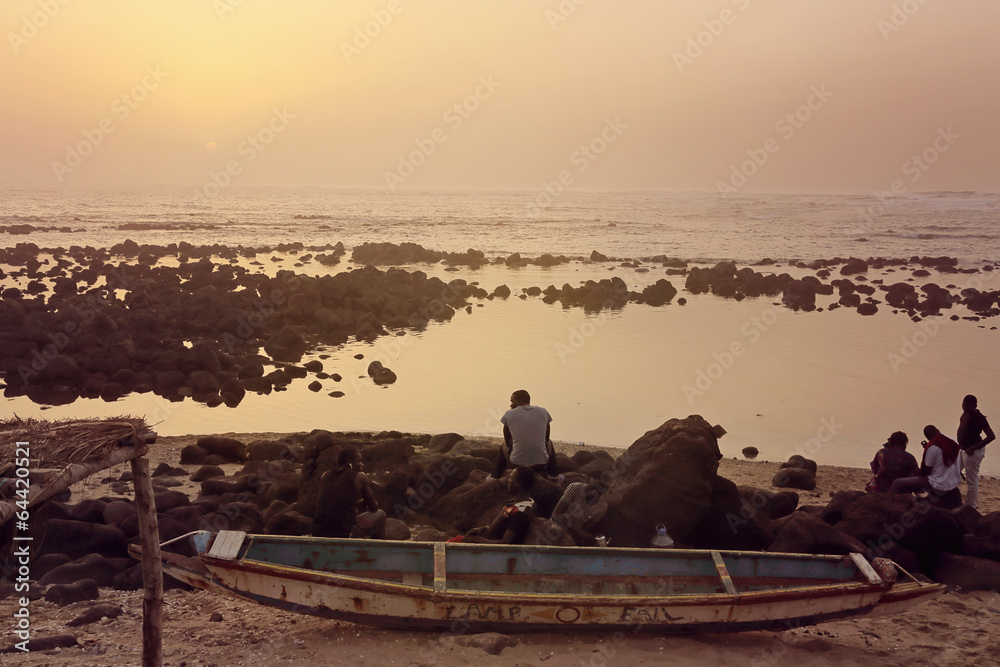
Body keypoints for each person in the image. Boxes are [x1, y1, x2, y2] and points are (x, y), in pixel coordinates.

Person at [313, 448, 386, 539]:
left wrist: (356, 504)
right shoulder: (360, 476)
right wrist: (373, 503)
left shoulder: (325, 475)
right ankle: (375, 549)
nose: (362, 464)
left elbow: (332, 503)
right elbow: (373, 508)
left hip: (318, 532)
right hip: (343, 534)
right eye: (359, 461)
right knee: (381, 514)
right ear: (349, 464)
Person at [888, 425, 962, 509]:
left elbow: (926, 472)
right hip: (953, 482)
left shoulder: (932, 447)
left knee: (898, 483)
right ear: (938, 430)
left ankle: (888, 507)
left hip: (938, 483)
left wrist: (928, 449)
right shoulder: (951, 441)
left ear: (928, 437)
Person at [459, 466, 537, 545]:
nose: (508, 481)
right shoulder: (515, 503)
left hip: (486, 550)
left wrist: (476, 540)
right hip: (484, 538)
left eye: (511, 478)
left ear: (519, 483)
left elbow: (505, 543)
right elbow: (501, 526)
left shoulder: (520, 514)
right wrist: (484, 528)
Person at [492, 389, 555, 479]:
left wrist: (510, 446)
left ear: (519, 401)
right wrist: (544, 442)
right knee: (549, 442)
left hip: (516, 464)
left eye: (512, 401)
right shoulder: (543, 411)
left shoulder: (509, 414)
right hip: (541, 464)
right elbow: (547, 431)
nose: (510, 405)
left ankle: (495, 476)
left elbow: (506, 435)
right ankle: (553, 475)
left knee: (504, 445)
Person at [552, 469, 609, 546]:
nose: (594, 492)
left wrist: (580, 533)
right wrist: (580, 532)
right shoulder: (574, 488)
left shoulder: (602, 507)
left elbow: (585, 529)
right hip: (556, 527)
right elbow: (555, 514)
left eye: (598, 491)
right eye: (591, 487)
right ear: (587, 482)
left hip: (574, 536)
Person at [958, 394, 995, 510]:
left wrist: (973, 448)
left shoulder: (979, 417)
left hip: (973, 452)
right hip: (963, 449)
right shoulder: (965, 413)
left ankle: (970, 506)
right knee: (953, 471)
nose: (964, 407)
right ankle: (950, 498)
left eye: (967, 406)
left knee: (971, 479)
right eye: (963, 405)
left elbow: (991, 436)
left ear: (975, 406)